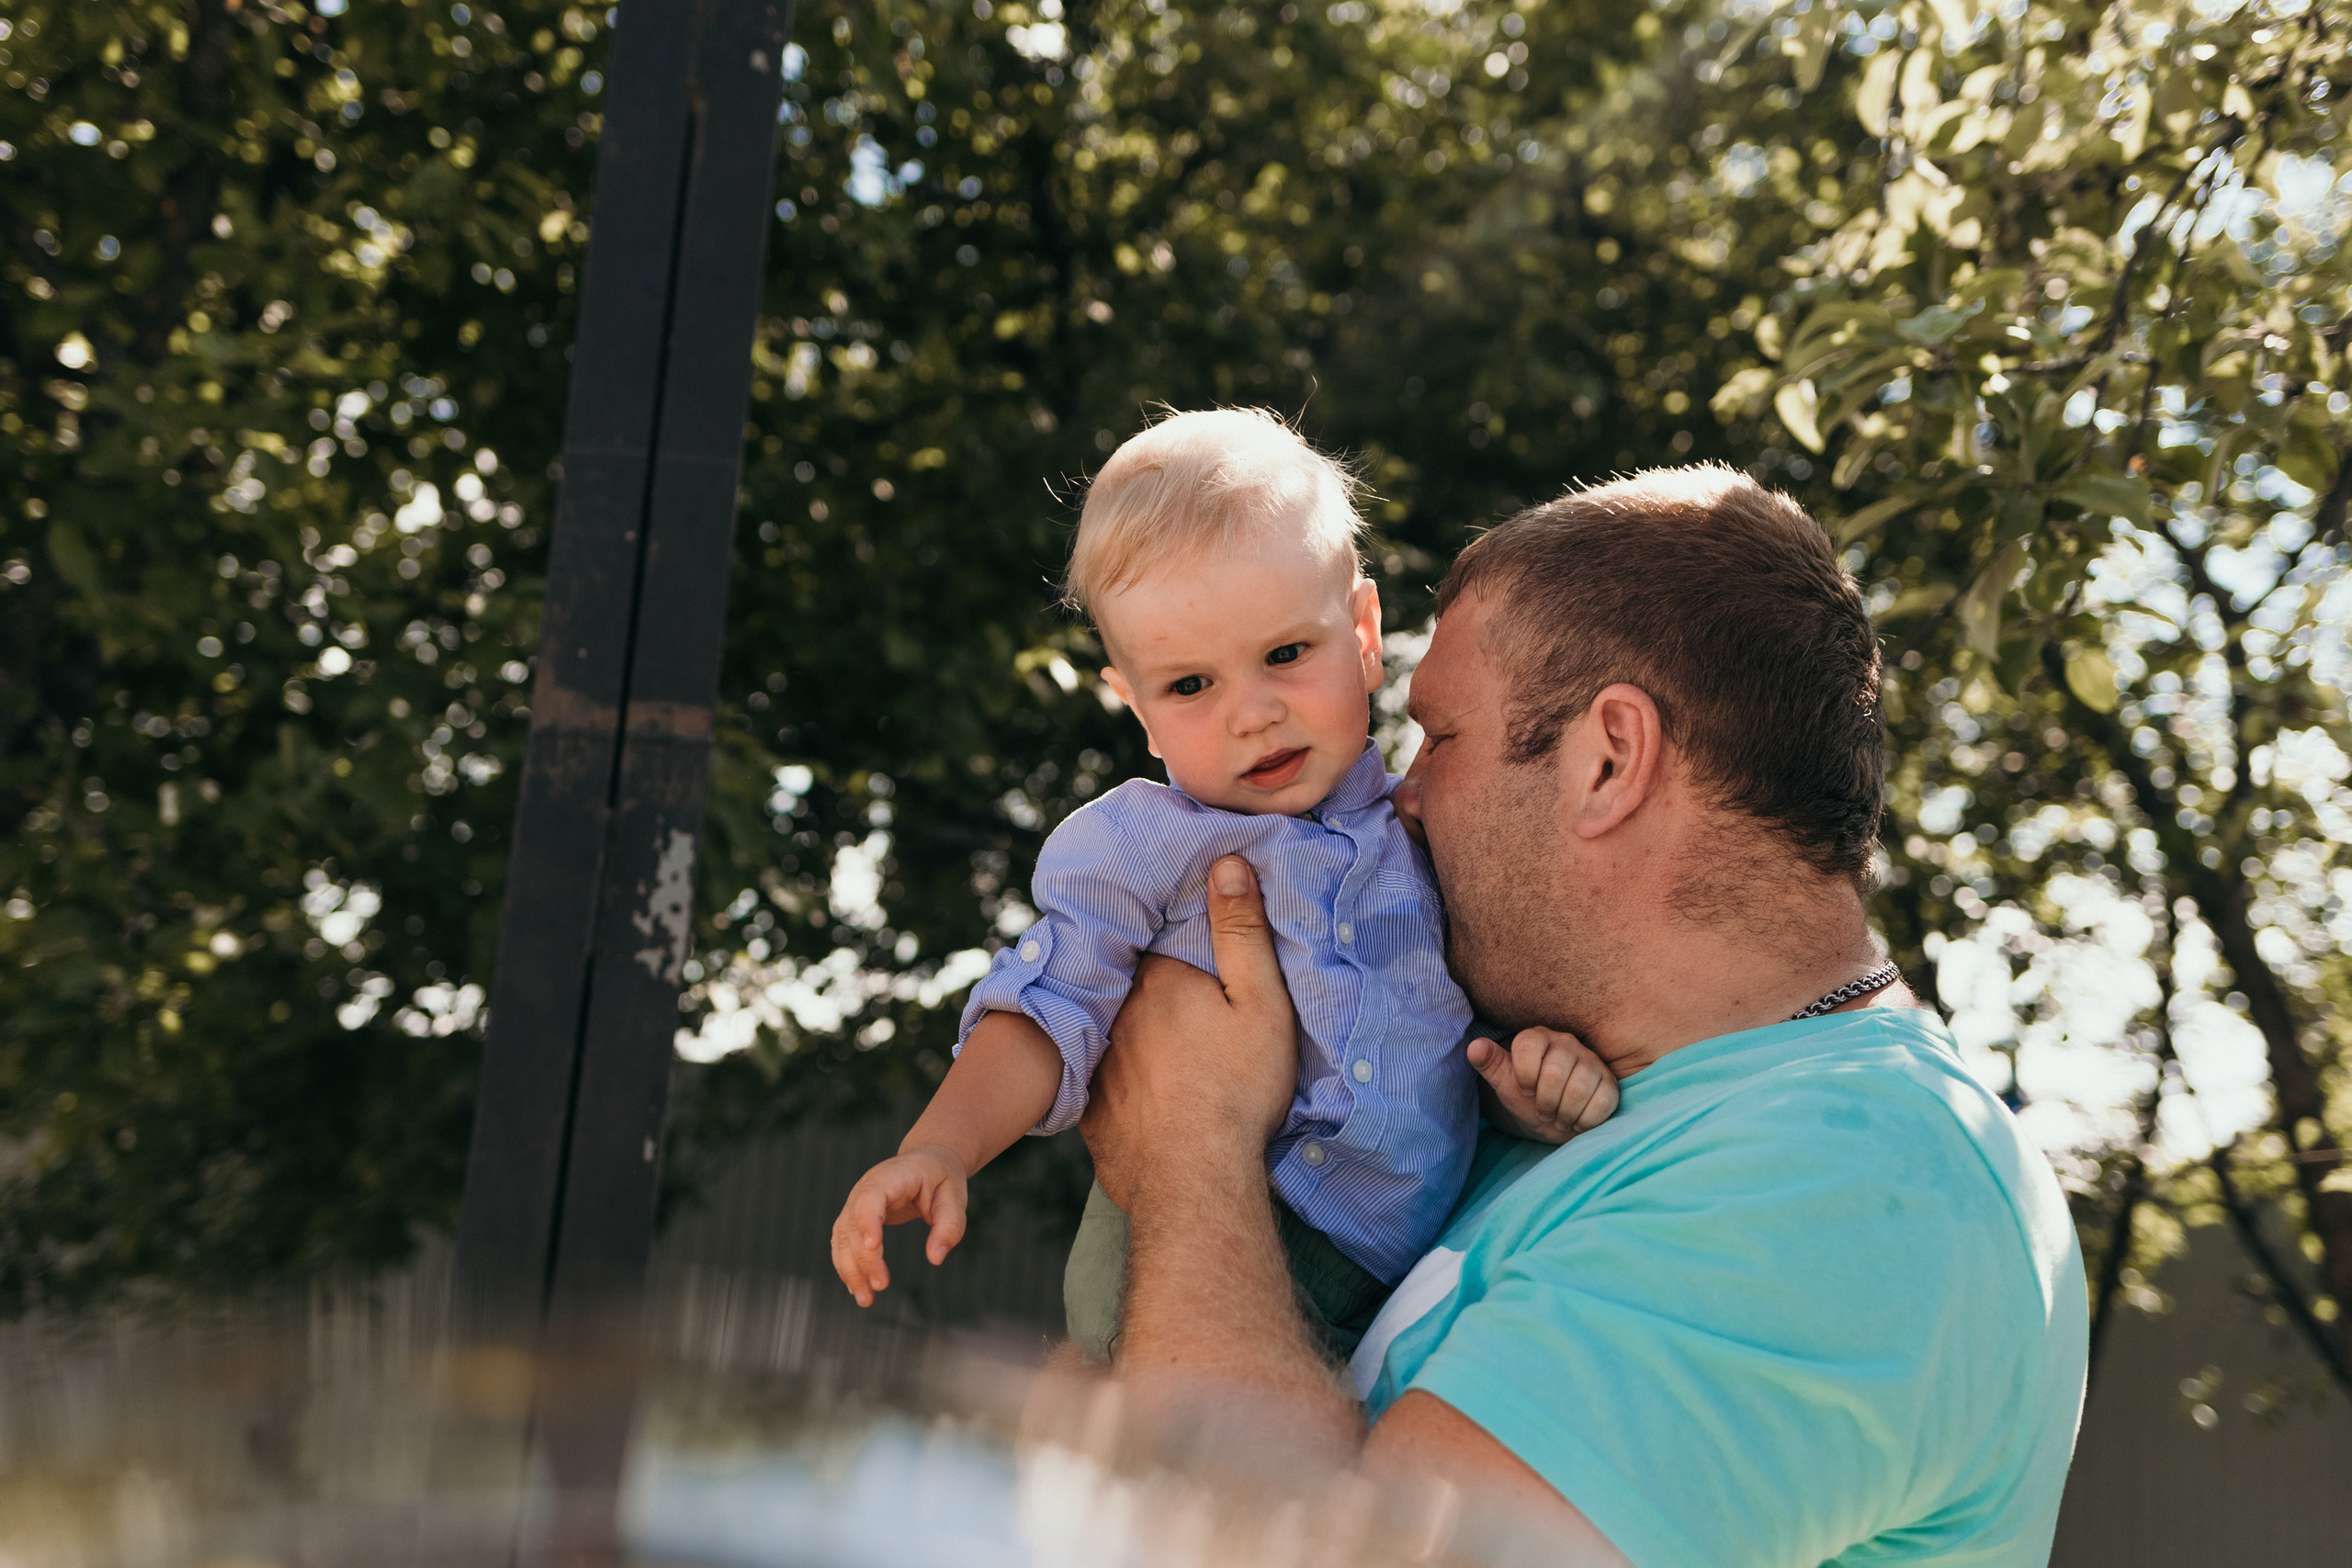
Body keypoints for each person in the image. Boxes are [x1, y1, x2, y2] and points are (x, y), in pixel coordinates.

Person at [1079, 467, 2089, 1567]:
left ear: (1607, 760)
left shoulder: (1850, 1185)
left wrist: (1188, 1142)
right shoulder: (1585, 1108)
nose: (1399, 797)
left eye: (1440, 739)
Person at [829, 409, 1616, 1362]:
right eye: (1190, 686)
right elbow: (1044, 1005)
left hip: (1395, 1265)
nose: (1253, 713)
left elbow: (1447, 1038)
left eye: (1286, 654)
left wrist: (1519, 1091)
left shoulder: (1429, 825)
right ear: (1140, 712)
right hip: (1209, 1232)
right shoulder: (1150, 842)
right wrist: (942, 1147)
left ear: (1364, 634)